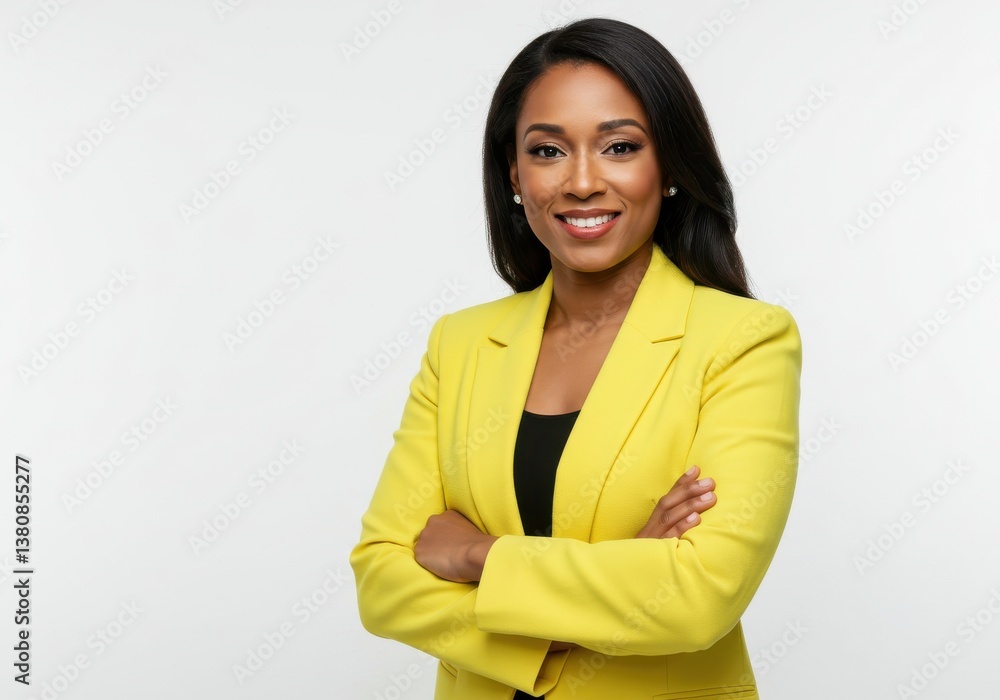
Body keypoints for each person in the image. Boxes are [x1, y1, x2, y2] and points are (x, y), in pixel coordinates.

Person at [350, 17, 802, 699]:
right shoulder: (460, 344)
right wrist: (622, 573)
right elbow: (382, 582)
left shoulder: (744, 342)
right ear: (514, 173)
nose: (583, 182)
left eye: (620, 146)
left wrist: (477, 555)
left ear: (669, 168)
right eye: (548, 150)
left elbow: (697, 597)